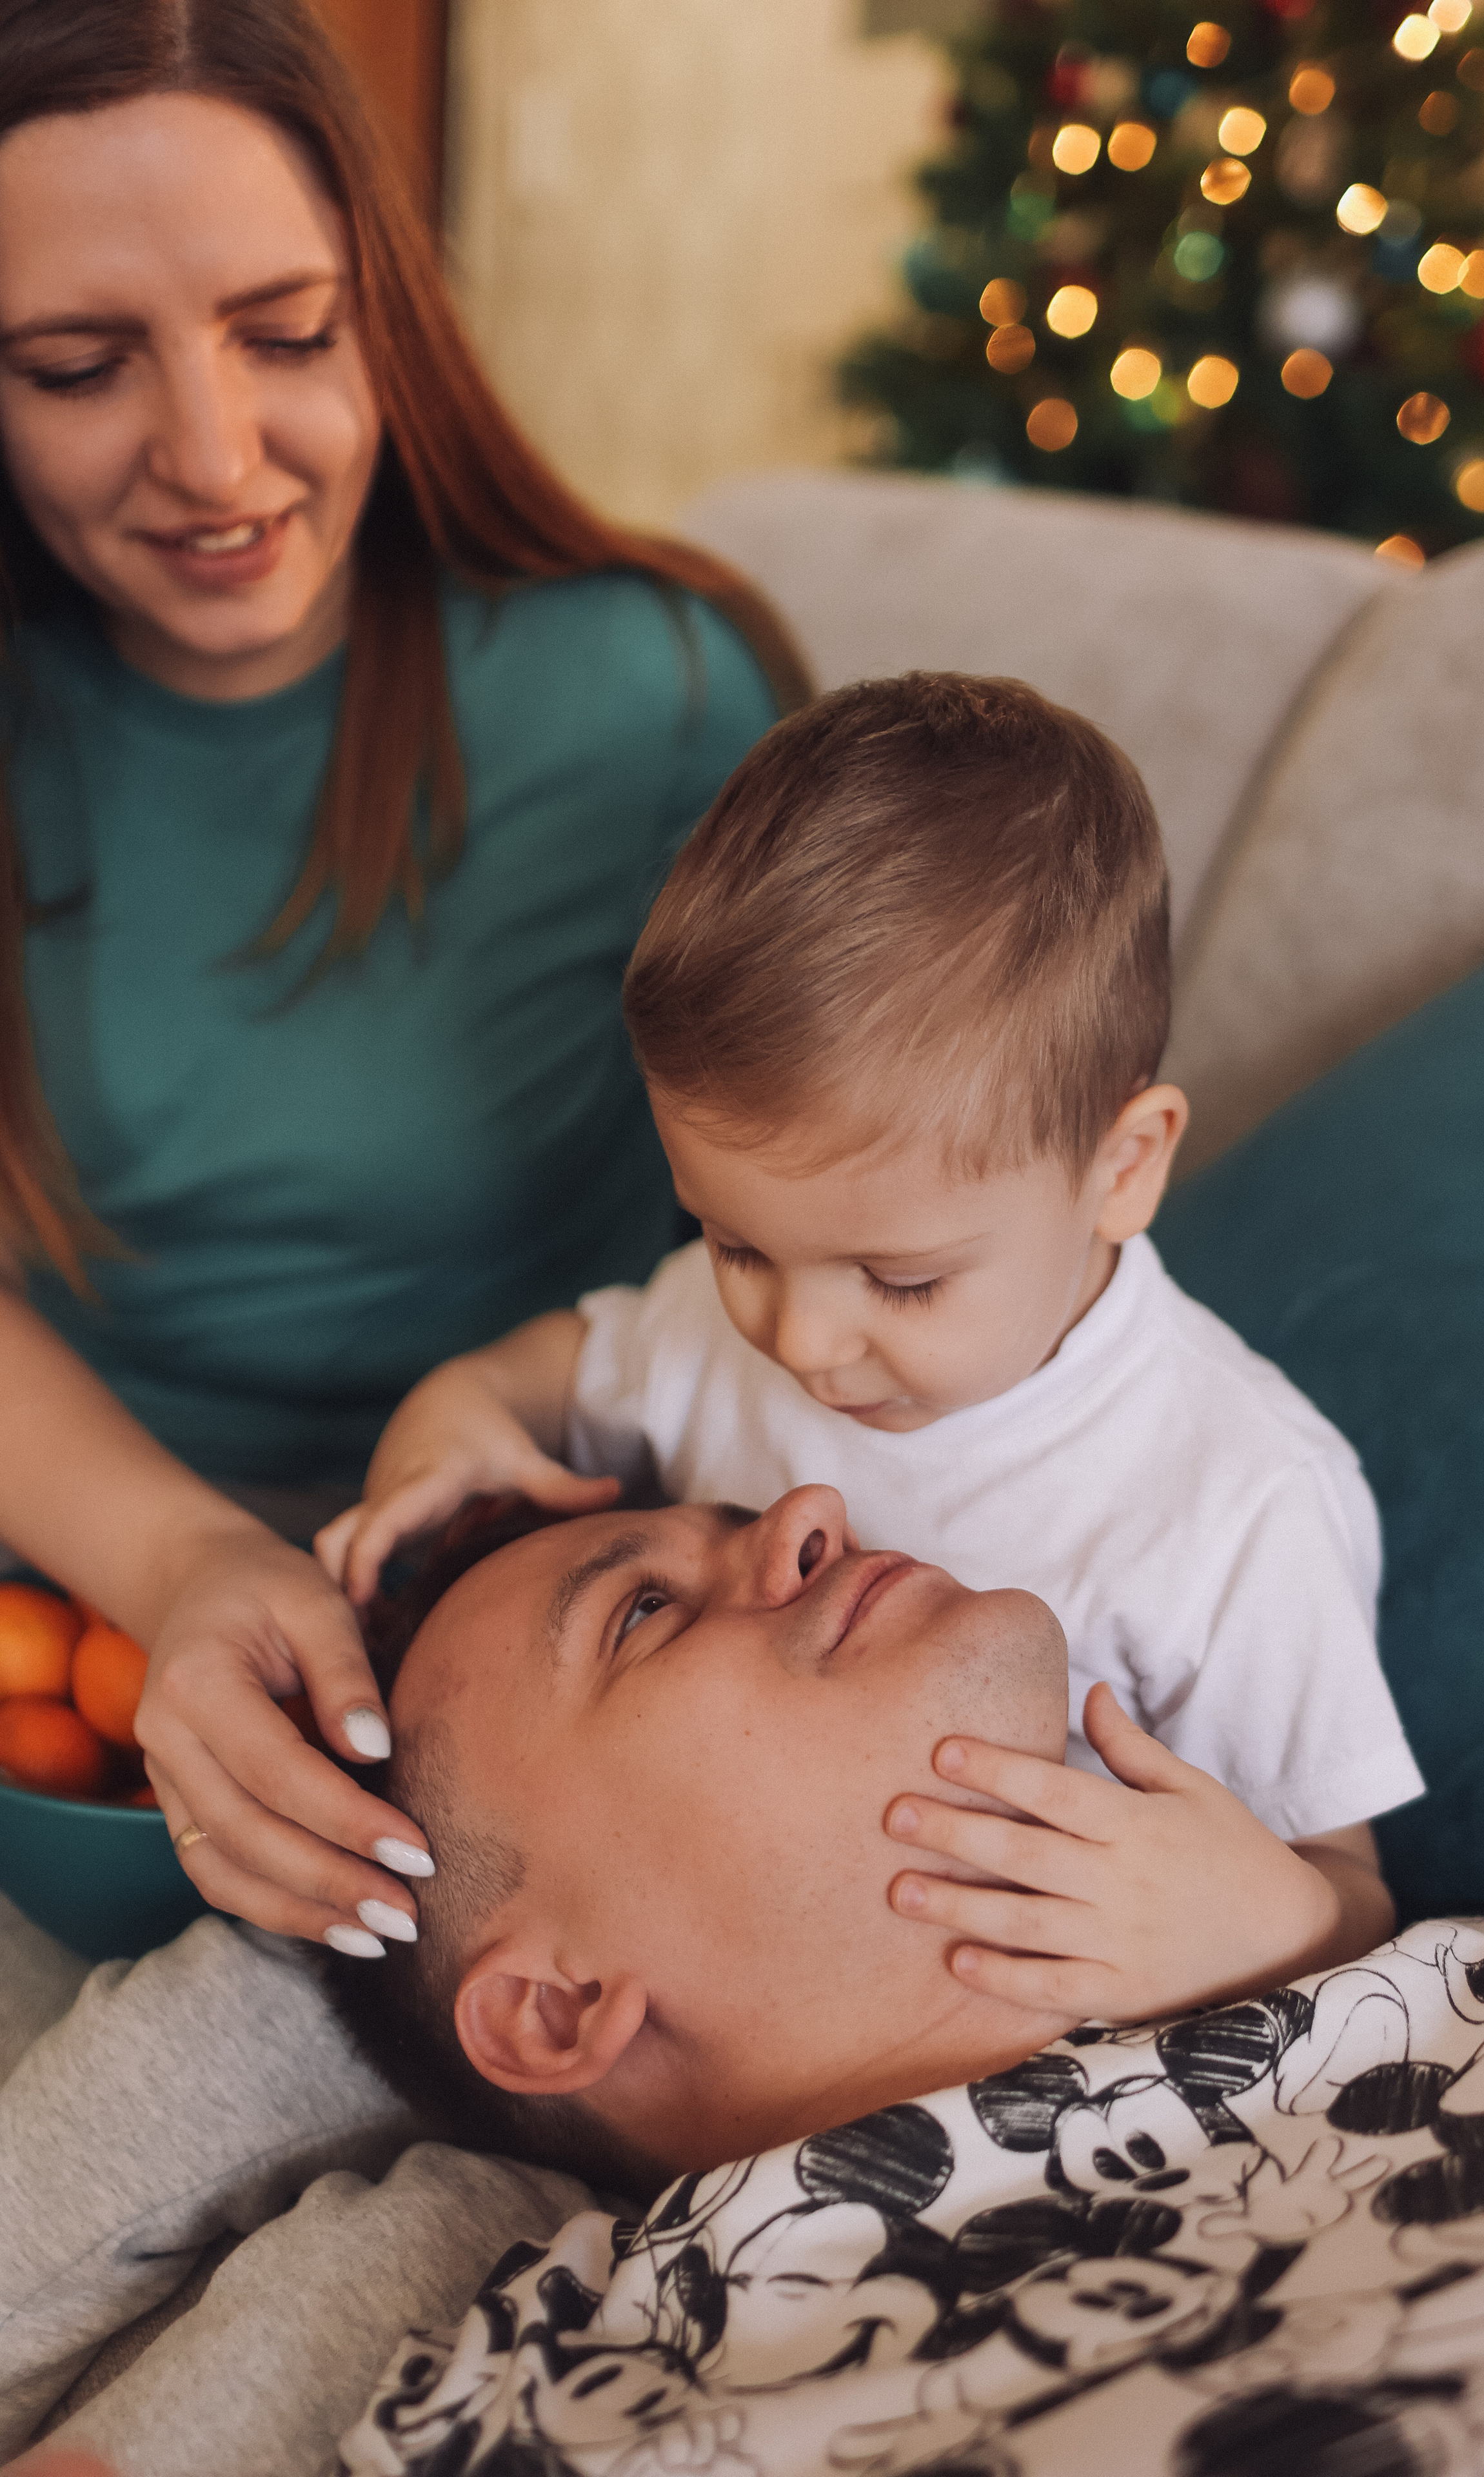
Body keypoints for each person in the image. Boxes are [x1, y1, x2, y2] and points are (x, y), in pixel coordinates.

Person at [0, 0, 800, 1950]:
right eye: (78, 366)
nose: (213, 456)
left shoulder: (657, 693)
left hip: (535, 1583)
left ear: (392, 321)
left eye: (287, 333)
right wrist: (181, 1565)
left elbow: (868, 1235)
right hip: (84, 1548)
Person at [317, 673, 1423, 2005]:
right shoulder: (744, 1329)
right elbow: (541, 1369)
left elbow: (1355, 1899)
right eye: (730, 1244)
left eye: (900, 1282)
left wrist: (1256, 1925)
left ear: (1120, 1168)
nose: (799, 1339)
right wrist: (449, 1423)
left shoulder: (1238, 1499)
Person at [0, 1486, 1403, 2468]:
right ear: (558, 2004)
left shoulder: (1337, 1954)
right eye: (644, 1614)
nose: (812, 1507)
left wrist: (1303, 1939)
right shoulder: (543, 2365)